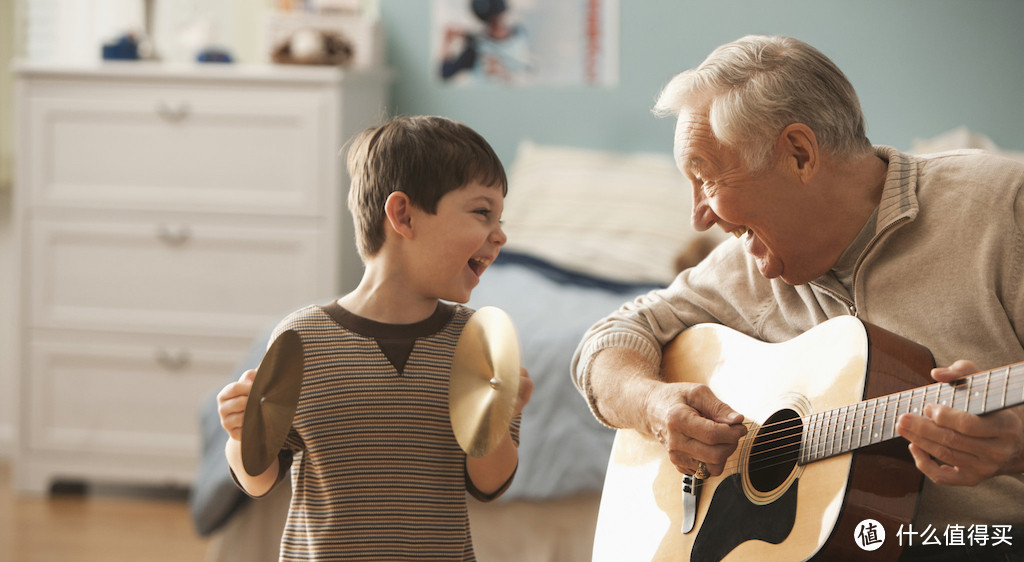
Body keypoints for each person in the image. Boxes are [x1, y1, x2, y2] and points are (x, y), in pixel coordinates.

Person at [571, 35, 1023, 560]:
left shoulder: (1004, 208)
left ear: (799, 154)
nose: (698, 217)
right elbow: (608, 340)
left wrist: (1015, 446)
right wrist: (653, 404)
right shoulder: (746, 267)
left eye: (707, 178)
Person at [217, 115, 533, 561]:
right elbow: (259, 479)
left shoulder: (478, 342)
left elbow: (490, 483)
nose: (500, 236)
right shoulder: (302, 339)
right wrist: (239, 433)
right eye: (483, 212)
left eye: (500, 218)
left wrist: (498, 419)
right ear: (403, 214)